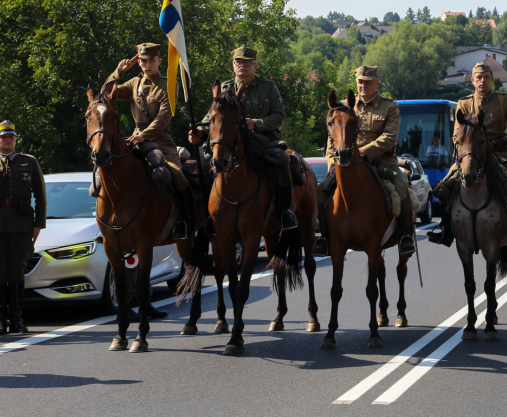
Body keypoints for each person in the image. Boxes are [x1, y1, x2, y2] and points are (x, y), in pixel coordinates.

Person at [427, 62, 507, 247]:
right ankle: (445, 229)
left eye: (486, 77)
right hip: (470, 157)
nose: (482, 81)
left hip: (499, 155)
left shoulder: (504, 101)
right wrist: (462, 155)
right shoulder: (464, 103)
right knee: (445, 186)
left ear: (492, 80)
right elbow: (456, 135)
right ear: (472, 81)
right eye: (478, 78)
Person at [189, 46, 298, 231]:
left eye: (247, 63)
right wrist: (200, 130)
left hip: (262, 138)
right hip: (228, 141)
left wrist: (256, 123)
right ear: (233, 66)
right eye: (239, 62)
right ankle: (207, 216)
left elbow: (279, 116)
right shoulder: (225, 88)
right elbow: (213, 116)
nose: (243, 66)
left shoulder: (268, 87)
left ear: (255, 66)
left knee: (281, 159)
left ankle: (284, 211)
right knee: (205, 163)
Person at [313, 65, 415, 258]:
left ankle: (405, 236)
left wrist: (363, 152)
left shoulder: (389, 107)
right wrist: (331, 164)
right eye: (360, 81)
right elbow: (331, 138)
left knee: (402, 187)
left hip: (382, 160)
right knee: (321, 190)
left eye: (368, 82)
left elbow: (389, 137)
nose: (363, 85)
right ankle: (324, 237)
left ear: (376, 83)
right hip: (346, 163)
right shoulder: (344, 105)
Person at [100, 43, 197, 241]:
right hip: (135, 141)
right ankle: (108, 224)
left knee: (178, 176)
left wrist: (146, 135)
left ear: (159, 61)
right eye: (143, 61)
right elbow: (105, 96)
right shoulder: (133, 84)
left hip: (161, 141)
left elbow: (164, 116)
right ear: (139, 63)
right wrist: (119, 71)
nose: (147, 64)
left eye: (151, 60)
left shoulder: (169, 84)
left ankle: (188, 222)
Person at [0, 121, 45, 335]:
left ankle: (17, 319)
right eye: (3, 136)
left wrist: (38, 224)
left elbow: (40, 193)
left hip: (22, 224)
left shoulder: (28, 161)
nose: (7, 140)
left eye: (11, 136)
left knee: (17, 270)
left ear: (15, 139)